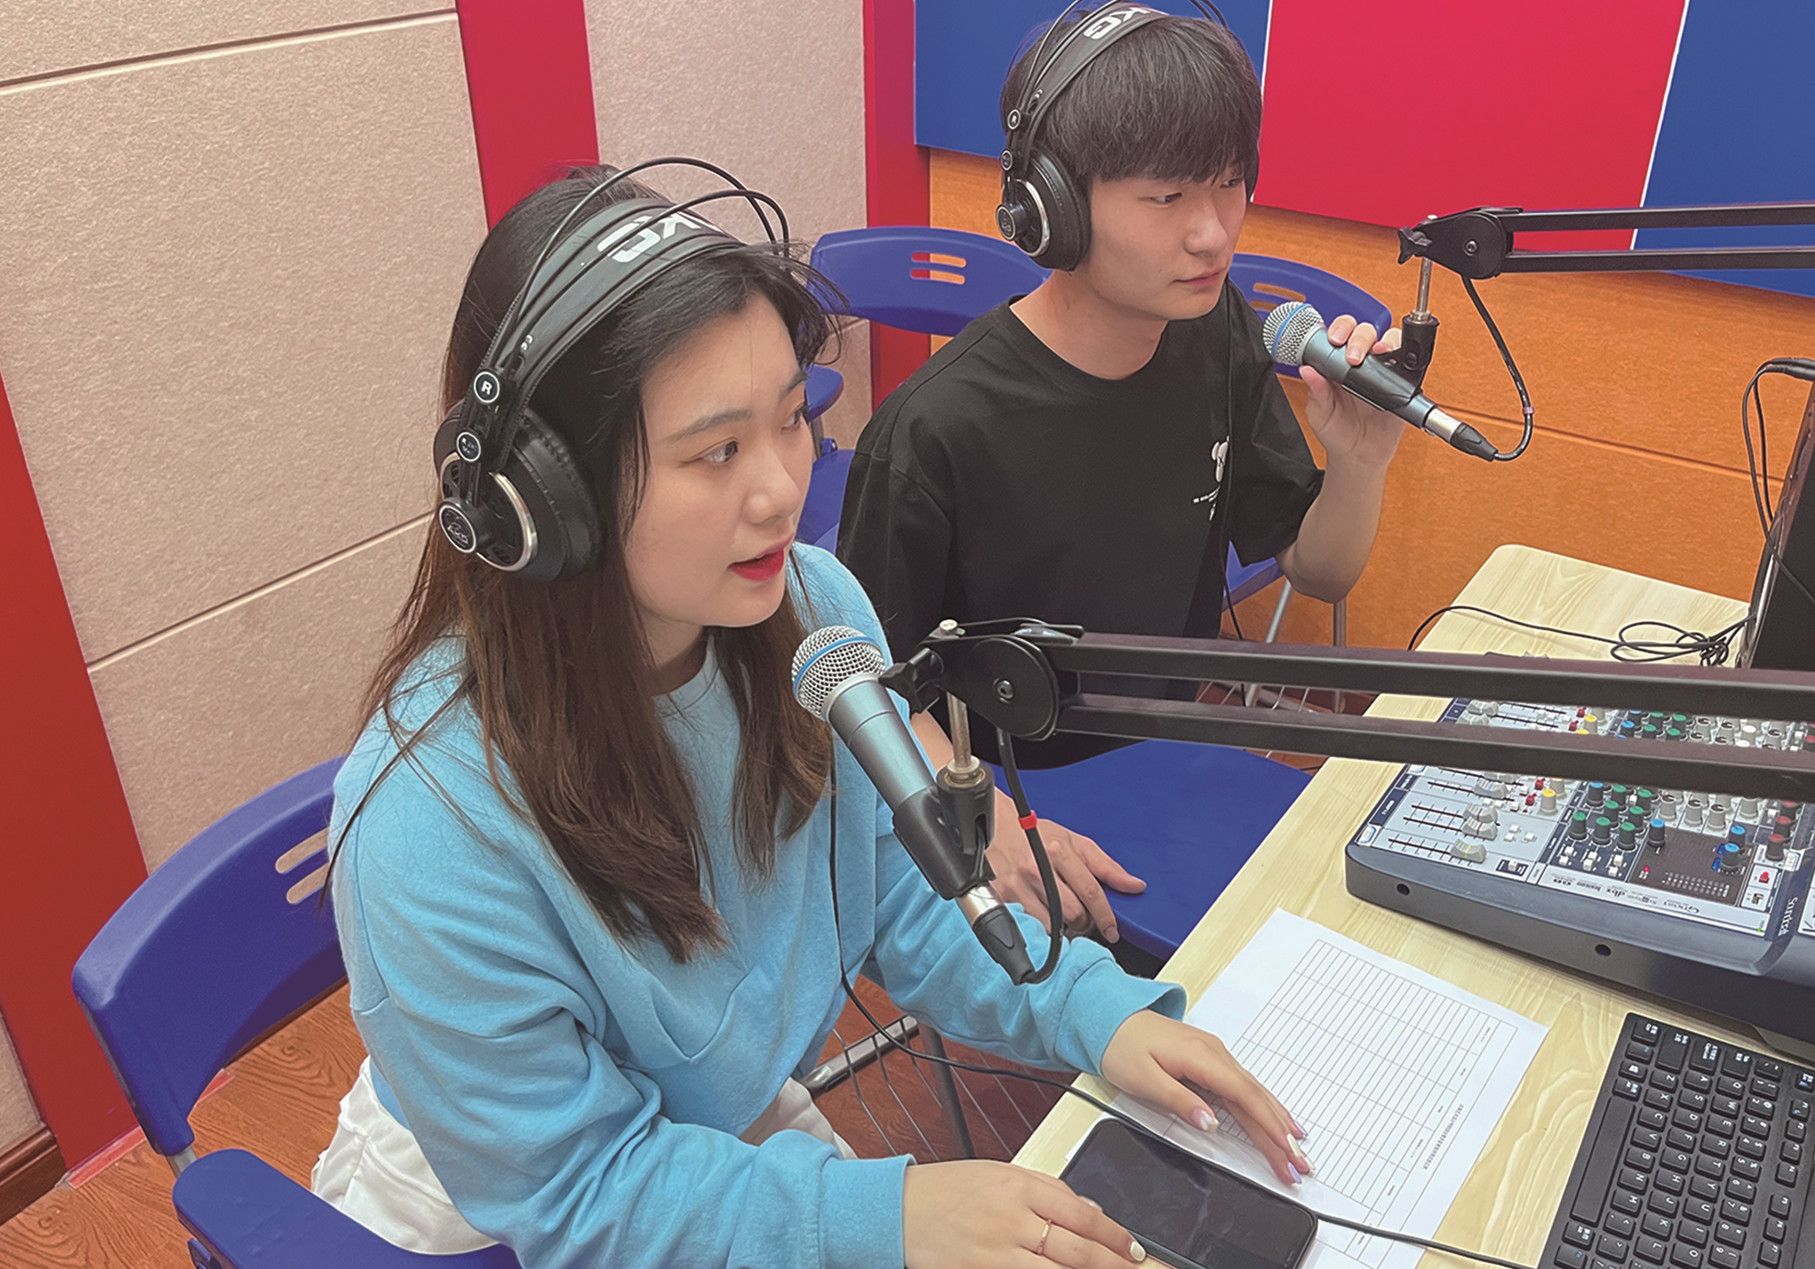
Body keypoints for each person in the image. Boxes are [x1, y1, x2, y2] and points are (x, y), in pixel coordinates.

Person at [309, 164, 1312, 1268]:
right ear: (547, 501)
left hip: (711, 1127)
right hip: (493, 1207)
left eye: (791, 420)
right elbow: (578, 1189)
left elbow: (898, 894)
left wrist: (1092, 1009)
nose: (784, 487)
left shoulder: (811, 613)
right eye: (717, 451)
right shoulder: (428, 829)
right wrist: (883, 1216)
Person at [837, 7, 1407, 946]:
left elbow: (1320, 569)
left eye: (1230, 185)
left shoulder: (1217, 332)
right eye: (1167, 197)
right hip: (1017, 790)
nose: (1213, 234)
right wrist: (984, 818)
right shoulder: (936, 428)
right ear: (1050, 208)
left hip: (1170, 754)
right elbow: (866, 688)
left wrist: (1360, 458)